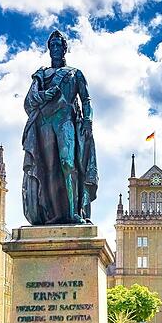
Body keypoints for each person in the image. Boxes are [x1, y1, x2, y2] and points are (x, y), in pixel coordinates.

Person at [21, 30, 98, 225]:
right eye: (52, 46)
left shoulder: (74, 73)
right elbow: (29, 102)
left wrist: (88, 120)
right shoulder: (40, 76)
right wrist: (43, 96)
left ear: (65, 49)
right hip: (44, 123)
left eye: (58, 45)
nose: (55, 49)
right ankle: (53, 213)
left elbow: (86, 99)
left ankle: (73, 212)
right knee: (49, 168)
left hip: (66, 121)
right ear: (49, 50)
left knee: (68, 163)